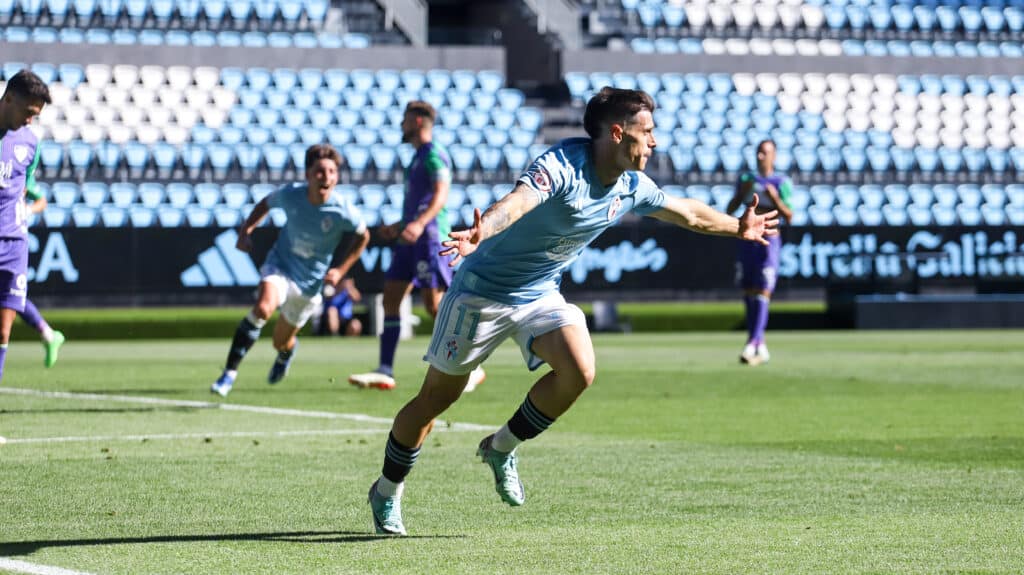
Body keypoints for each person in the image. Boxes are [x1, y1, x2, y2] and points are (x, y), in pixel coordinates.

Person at [365, 87, 779, 535]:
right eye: (648, 132)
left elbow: (689, 213)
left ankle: (501, 447)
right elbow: (518, 202)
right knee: (434, 401)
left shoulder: (631, 186)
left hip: (539, 293)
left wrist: (738, 226)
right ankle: (386, 491)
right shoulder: (562, 165)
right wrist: (482, 232)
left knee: (579, 370)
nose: (655, 142)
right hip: (482, 293)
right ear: (618, 134)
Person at [210, 144, 370, 397]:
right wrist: (246, 231)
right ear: (307, 175)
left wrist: (340, 270)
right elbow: (264, 204)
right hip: (281, 267)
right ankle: (229, 374)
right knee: (263, 308)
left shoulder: (343, 210)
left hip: (310, 284)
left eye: (331, 171)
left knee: (280, 342)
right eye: (320, 171)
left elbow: (363, 237)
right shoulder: (291, 194)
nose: (326, 177)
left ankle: (285, 354)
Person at [348, 100, 485, 392]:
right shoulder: (416, 158)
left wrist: (420, 224)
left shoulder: (435, 155)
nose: (402, 124)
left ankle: (471, 366)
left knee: (436, 306)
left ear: (420, 122)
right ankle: (385, 369)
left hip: (431, 237)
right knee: (391, 299)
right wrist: (399, 226)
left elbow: (441, 194)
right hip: (409, 238)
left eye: (406, 120)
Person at [0, 70, 51, 383]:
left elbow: (24, 183)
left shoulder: (31, 143)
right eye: (28, 112)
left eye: (37, 115)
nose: (31, 120)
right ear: (8, 99)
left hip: (14, 243)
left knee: (3, 330)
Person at [726, 139, 793, 366]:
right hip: (747, 238)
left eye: (765, 153)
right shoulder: (746, 180)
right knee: (749, 289)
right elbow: (730, 209)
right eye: (758, 152)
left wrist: (775, 199)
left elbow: (790, 215)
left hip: (769, 239)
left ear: (774, 156)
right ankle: (759, 343)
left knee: (763, 290)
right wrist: (741, 195)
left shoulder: (781, 182)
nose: (760, 157)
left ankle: (753, 342)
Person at [21, 185, 66, 367]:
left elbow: (42, 201)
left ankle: (49, 334)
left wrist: (28, 209)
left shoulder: (20, 170)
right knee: (10, 296)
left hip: (12, 241)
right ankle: (48, 334)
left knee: (11, 295)